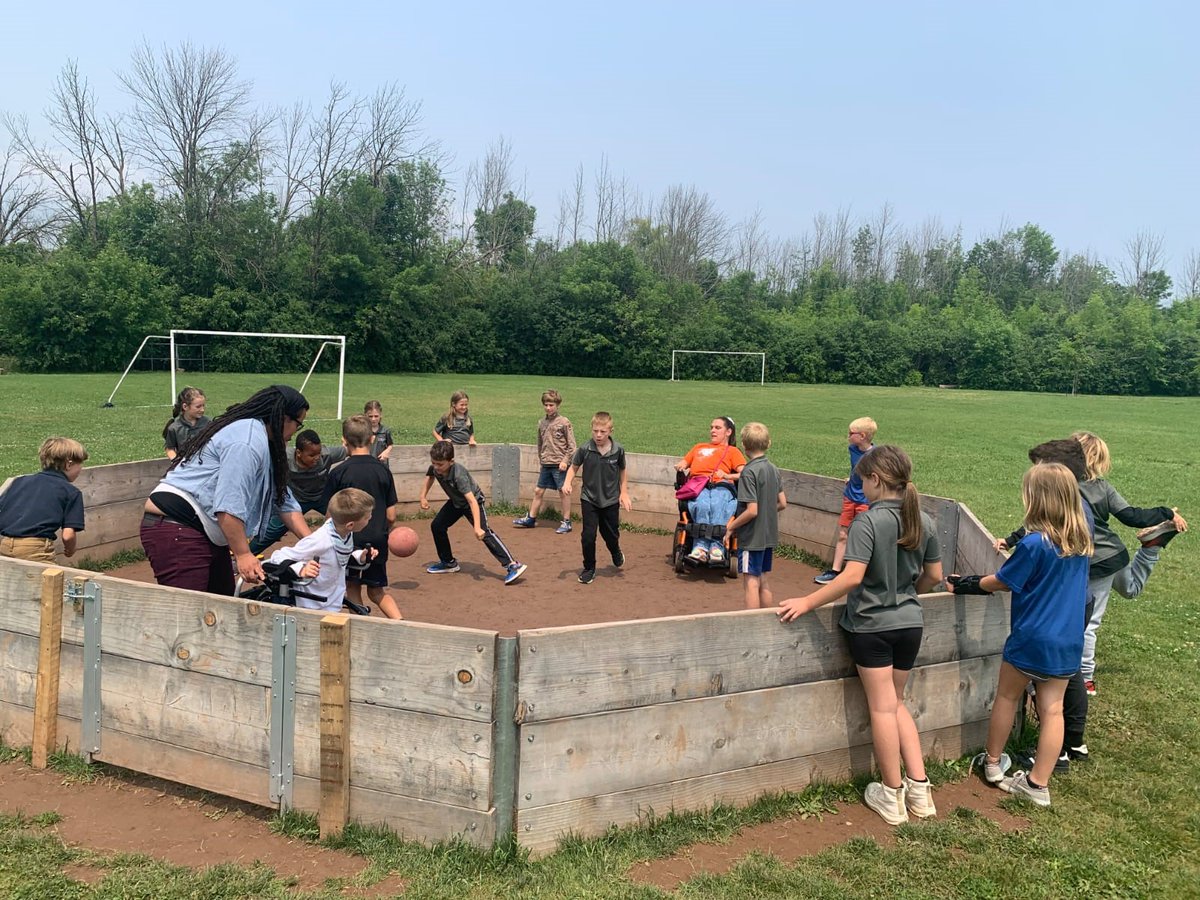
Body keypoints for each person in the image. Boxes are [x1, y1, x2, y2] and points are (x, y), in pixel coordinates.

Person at [778, 445, 943, 825]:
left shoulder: (866, 523)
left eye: (862, 481)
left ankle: (892, 794)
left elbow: (851, 577)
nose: (860, 489)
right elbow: (933, 577)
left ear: (876, 480)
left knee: (883, 708)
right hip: (910, 624)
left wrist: (807, 602)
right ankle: (921, 790)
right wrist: (904, 594)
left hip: (872, 625)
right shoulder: (925, 520)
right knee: (899, 703)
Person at [949, 462, 1092, 808]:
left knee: (1007, 697)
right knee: (1053, 710)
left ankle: (994, 764)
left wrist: (969, 584)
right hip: (1068, 640)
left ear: (1036, 500)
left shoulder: (1034, 545)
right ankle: (1038, 784)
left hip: (1032, 638)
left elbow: (1002, 580)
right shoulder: (1082, 542)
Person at [140, 385, 312, 594]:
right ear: (284, 418)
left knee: (222, 607)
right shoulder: (246, 442)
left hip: (199, 529)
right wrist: (243, 554)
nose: (295, 432)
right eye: (298, 424)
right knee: (189, 615)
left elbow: (283, 499)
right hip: (177, 527)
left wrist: (312, 543)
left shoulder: (264, 441)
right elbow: (228, 505)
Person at [1070, 431, 1187, 696]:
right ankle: (1151, 545)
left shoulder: (1062, 487)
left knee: (1088, 622)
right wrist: (1166, 512)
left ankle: (1085, 678)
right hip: (1114, 554)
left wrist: (1012, 539)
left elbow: (1040, 517)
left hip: (1095, 563)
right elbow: (1133, 516)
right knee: (1130, 590)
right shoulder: (1102, 488)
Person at [267, 488, 401, 618]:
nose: (371, 518)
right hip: (311, 607)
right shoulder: (321, 540)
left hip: (330, 601)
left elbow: (339, 555)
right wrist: (301, 569)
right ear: (350, 525)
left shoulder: (343, 532)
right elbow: (278, 557)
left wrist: (360, 556)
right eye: (367, 517)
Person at [322, 416, 402, 618]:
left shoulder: (338, 473)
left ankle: (361, 627)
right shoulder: (383, 471)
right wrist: (383, 531)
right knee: (377, 591)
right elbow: (391, 515)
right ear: (372, 439)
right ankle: (401, 623)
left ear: (344, 441)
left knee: (352, 587)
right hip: (377, 539)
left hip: (350, 541)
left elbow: (330, 516)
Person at [420, 441, 526, 585]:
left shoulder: (458, 475)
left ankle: (512, 565)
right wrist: (423, 496)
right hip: (456, 502)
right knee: (437, 526)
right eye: (434, 463)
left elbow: (472, 501)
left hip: (473, 502)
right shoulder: (435, 468)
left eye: (440, 464)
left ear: (451, 461)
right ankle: (448, 563)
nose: (436, 467)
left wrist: (477, 527)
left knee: (484, 532)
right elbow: (430, 477)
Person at [248, 428, 349, 555]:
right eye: (312, 455)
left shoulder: (327, 454)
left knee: (346, 519)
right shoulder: (284, 458)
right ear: (299, 453)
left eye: (318, 453)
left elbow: (353, 450)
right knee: (272, 531)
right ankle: (245, 555)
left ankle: (354, 551)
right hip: (295, 500)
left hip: (321, 497)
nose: (317, 458)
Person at [562, 411, 631, 585]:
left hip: (610, 500)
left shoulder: (618, 450)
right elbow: (573, 467)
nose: (598, 435)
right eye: (595, 431)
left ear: (610, 431)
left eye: (603, 432)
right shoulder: (585, 449)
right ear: (591, 430)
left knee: (610, 534)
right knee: (588, 535)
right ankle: (589, 568)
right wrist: (567, 483)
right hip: (589, 498)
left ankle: (615, 551)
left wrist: (624, 493)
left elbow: (623, 471)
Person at [725, 422, 787, 609]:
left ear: (743, 445)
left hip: (752, 538)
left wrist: (731, 526)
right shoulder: (773, 469)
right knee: (763, 579)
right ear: (768, 443)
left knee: (751, 581)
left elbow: (752, 510)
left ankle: (751, 624)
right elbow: (783, 503)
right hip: (768, 536)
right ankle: (767, 619)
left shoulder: (749, 472)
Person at [0, 437, 88, 562]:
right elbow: (68, 536)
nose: (81, 469)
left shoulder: (19, 482)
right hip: (36, 549)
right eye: (80, 464)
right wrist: (71, 549)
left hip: (5, 544)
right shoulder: (71, 492)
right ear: (68, 464)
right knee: (51, 580)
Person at [674, 417, 747, 565]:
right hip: (699, 485)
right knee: (702, 505)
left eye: (717, 428)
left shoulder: (733, 451)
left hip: (723, 485)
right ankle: (700, 548)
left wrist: (727, 475)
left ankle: (716, 547)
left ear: (728, 432)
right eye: (711, 427)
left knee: (717, 504)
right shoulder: (699, 447)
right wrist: (680, 466)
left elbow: (745, 473)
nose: (712, 430)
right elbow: (684, 462)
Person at [815, 416, 877, 584]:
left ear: (862, 436)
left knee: (863, 536)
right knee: (843, 534)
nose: (848, 436)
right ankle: (835, 571)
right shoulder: (852, 449)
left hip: (865, 500)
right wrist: (852, 478)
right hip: (850, 497)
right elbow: (855, 468)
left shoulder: (876, 455)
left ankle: (862, 574)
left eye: (851, 433)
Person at [513, 389, 577, 534]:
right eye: (546, 405)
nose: (548, 408)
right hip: (546, 464)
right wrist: (541, 458)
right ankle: (531, 518)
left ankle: (567, 522)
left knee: (563, 492)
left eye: (551, 405)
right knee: (538, 491)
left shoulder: (564, 422)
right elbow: (540, 443)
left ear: (557, 405)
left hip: (559, 464)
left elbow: (572, 446)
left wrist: (565, 461)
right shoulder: (541, 423)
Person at [162, 386, 210, 460]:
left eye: (203, 406)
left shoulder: (208, 423)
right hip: (185, 466)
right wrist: (176, 462)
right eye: (198, 407)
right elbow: (169, 449)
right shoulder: (174, 428)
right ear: (185, 406)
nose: (202, 409)